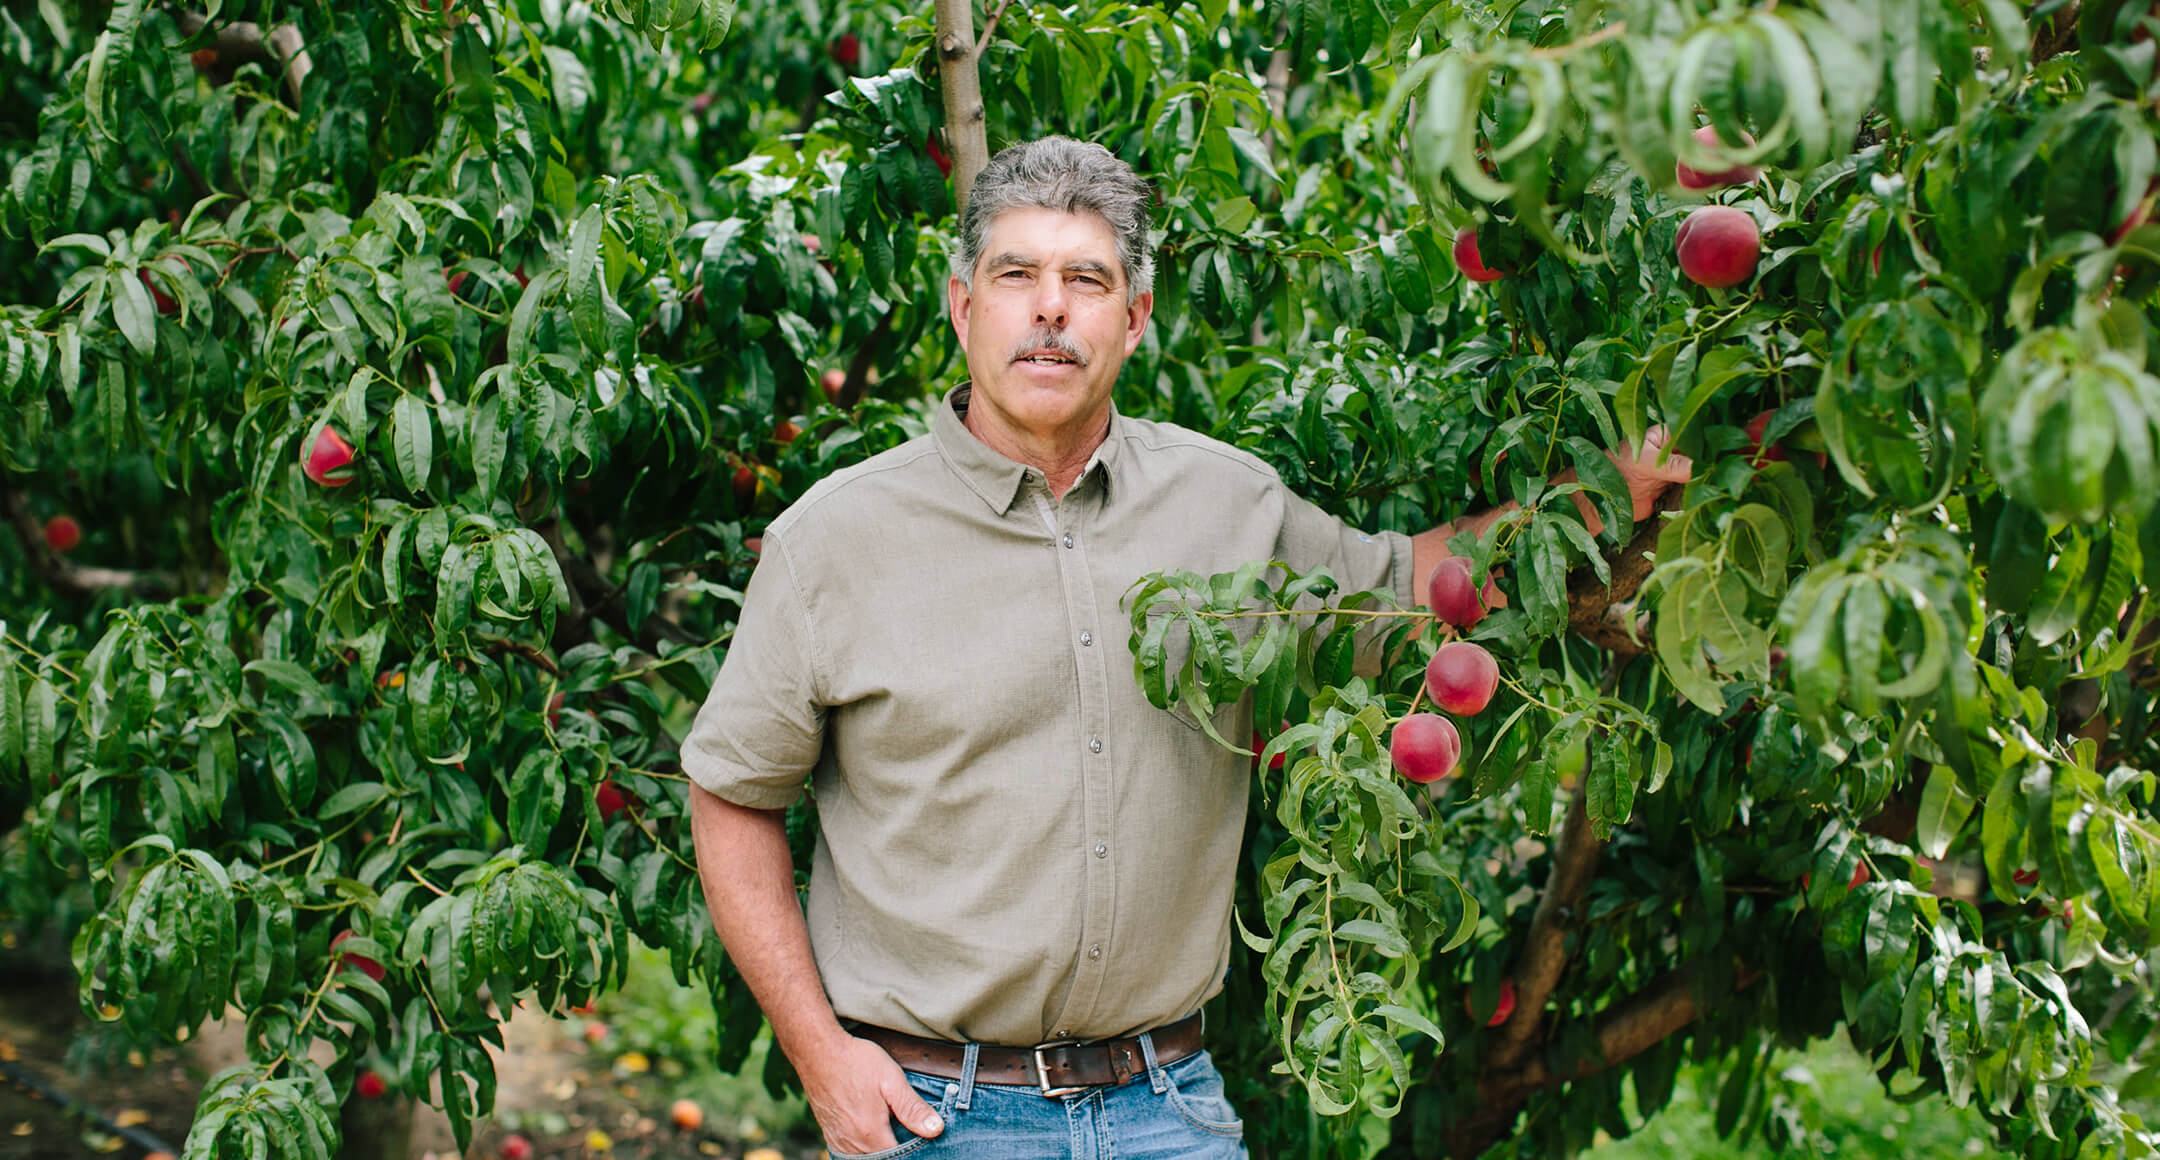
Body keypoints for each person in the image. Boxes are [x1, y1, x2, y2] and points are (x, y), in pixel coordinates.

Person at [682, 136, 1688, 1159]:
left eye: (1086, 278)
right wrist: (817, 1052)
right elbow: (731, 793)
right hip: (934, 1114)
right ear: (962, 305)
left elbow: (1408, 590)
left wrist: (1599, 492)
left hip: (1167, 1110)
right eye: (1016, 274)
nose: (1049, 307)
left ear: (1136, 316)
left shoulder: (1227, 505)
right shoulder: (837, 538)